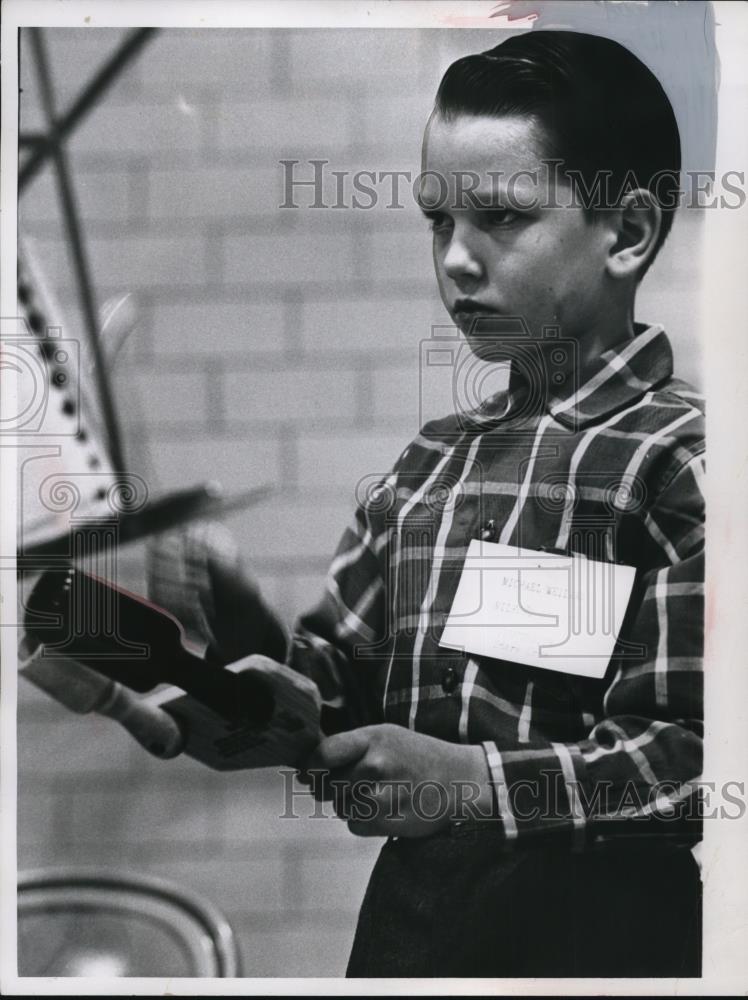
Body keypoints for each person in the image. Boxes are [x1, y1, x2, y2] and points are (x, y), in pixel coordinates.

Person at [285, 30, 705, 977]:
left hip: (601, 947)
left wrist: (471, 786)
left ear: (627, 233)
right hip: (411, 934)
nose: (457, 261)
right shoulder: (425, 468)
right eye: (438, 220)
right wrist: (220, 663)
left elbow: (698, 760)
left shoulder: (679, 465)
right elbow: (330, 678)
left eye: (501, 219)